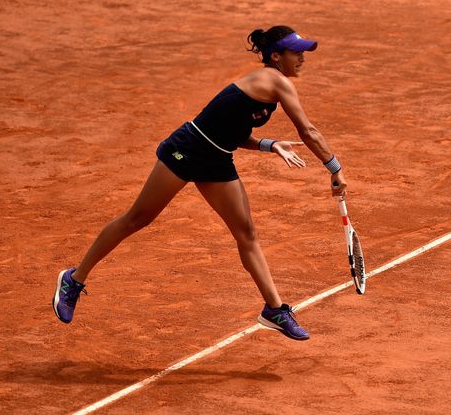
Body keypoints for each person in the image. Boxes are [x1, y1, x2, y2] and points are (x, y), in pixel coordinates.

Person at [52, 25, 347, 341]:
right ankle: (74, 278)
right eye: (296, 53)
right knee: (137, 219)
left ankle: (274, 309)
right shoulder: (275, 81)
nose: (302, 58)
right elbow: (308, 131)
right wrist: (335, 168)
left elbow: (232, 132)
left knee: (246, 233)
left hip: (216, 159)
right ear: (276, 56)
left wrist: (268, 144)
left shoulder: (270, 86)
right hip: (187, 149)